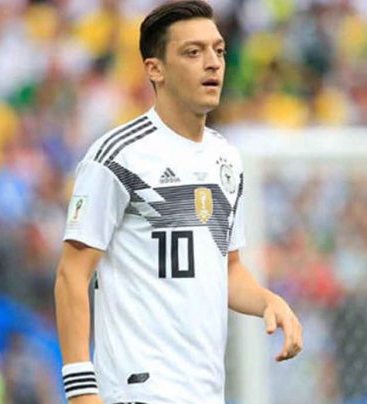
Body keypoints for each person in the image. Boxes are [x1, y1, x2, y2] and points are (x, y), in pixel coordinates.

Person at [54, 1, 303, 403]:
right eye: (193, 52)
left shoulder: (226, 159)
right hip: (138, 392)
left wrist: (269, 301)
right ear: (156, 69)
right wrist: (81, 391)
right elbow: (72, 274)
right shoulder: (118, 156)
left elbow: (227, 269)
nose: (213, 63)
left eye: (218, 51)